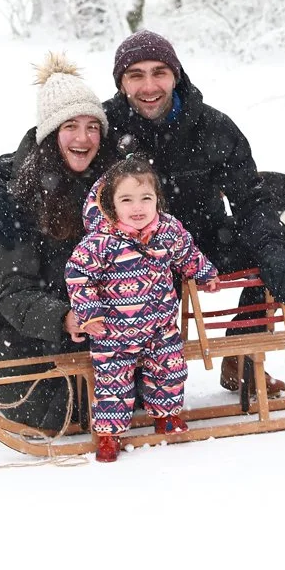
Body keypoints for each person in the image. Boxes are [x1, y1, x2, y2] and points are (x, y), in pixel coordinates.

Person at [102, 30, 285, 397]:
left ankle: (242, 355)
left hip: (204, 240)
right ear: (121, 83)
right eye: (136, 75)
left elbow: (251, 198)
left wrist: (275, 252)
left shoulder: (213, 126)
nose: (149, 86)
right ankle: (135, 371)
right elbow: (49, 148)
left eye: (159, 72)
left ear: (175, 75)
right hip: (132, 251)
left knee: (263, 251)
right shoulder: (103, 126)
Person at [0, 52, 110, 433]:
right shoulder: (15, 198)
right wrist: (63, 317)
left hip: (84, 331)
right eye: (70, 126)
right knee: (65, 409)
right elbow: (12, 293)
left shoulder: (108, 187)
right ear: (49, 134)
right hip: (22, 344)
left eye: (92, 127)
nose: (83, 138)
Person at [65, 154, 219, 463]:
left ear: (157, 199)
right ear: (111, 204)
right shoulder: (100, 242)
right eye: (127, 200)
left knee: (170, 368)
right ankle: (109, 434)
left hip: (160, 325)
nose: (138, 208)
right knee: (112, 381)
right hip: (113, 331)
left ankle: (166, 415)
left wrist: (205, 272)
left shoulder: (167, 231)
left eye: (145, 198)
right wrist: (89, 314)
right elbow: (79, 276)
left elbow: (187, 253)